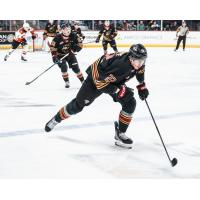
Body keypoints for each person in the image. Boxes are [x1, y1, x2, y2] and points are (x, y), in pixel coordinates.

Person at [45, 44, 149, 149]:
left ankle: (120, 134)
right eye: (139, 61)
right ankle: (56, 119)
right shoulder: (120, 65)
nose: (141, 63)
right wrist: (120, 90)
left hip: (112, 79)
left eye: (143, 60)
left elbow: (140, 72)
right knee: (78, 105)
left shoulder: (138, 62)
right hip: (95, 79)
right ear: (131, 58)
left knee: (130, 102)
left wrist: (141, 85)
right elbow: (100, 84)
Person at [50, 23, 84, 88]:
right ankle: (67, 82)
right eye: (66, 29)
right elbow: (52, 48)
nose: (68, 30)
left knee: (76, 69)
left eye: (69, 29)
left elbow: (80, 45)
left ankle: (83, 81)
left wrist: (75, 49)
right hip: (60, 55)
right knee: (64, 67)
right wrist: (54, 57)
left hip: (70, 55)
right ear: (62, 30)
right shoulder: (57, 38)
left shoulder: (74, 35)